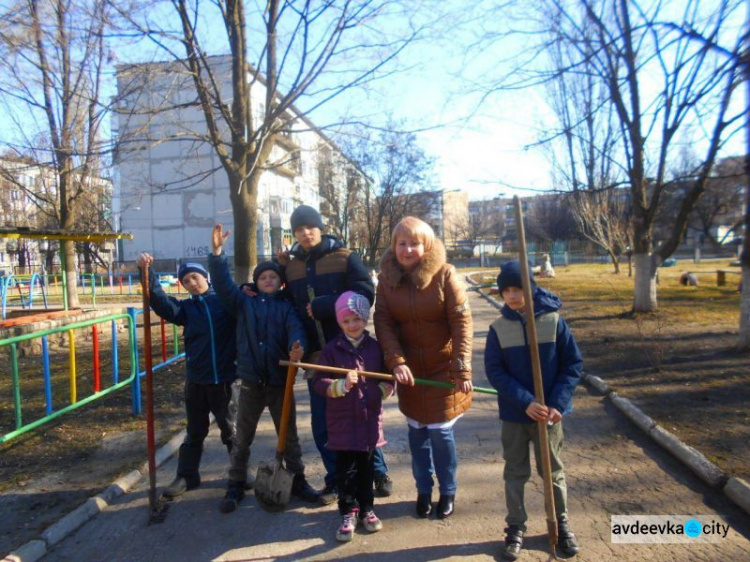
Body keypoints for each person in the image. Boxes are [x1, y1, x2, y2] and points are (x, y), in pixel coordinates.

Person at [281, 204, 393, 504]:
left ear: (320, 227)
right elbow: (285, 301)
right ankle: (336, 479)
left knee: (362, 411)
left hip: (351, 352)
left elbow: (364, 294)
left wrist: (326, 305)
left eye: (310, 227)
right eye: (298, 230)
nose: (305, 234)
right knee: (323, 420)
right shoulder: (290, 266)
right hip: (317, 356)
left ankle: (377, 472)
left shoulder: (345, 257)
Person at [207, 225, 320, 512]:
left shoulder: (286, 307)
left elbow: (297, 330)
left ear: (280, 283)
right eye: (263, 277)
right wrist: (217, 254)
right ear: (255, 282)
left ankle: (298, 480)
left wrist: (298, 347)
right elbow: (222, 285)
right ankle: (235, 483)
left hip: (280, 382)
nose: (268, 280)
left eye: (273, 277)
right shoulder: (243, 303)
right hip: (250, 383)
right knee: (243, 435)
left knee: (289, 436)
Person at [373, 216, 473, 520]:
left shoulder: (444, 275)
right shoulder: (387, 282)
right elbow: (383, 322)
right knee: (417, 437)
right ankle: (423, 491)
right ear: (394, 246)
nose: (408, 249)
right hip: (412, 374)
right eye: (401, 243)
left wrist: (461, 369)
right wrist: (396, 361)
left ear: (426, 245)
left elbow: (461, 322)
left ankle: (448, 491)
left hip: (444, 370)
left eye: (414, 243)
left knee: (441, 437)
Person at [484, 260, 583, 560]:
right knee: (515, 471)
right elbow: (495, 372)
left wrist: (557, 403)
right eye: (507, 291)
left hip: (549, 416)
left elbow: (572, 365)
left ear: (532, 288)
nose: (513, 296)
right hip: (515, 415)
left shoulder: (554, 322)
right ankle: (515, 526)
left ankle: (561, 522)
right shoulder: (498, 328)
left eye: (519, 288)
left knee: (552, 471)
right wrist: (525, 401)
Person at [136, 253, 236, 500]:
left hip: (225, 379)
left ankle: (240, 473)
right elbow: (159, 302)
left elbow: (242, 299)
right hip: (197, 381)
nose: (192, 283)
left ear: (205, 277)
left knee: (232, 431)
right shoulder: (186, 310)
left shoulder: (225, 302)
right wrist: (146, 271)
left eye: (195, 277)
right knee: (194, 432)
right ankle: (187, 475)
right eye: (186, 281)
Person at [313, 291, 394, 542]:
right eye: (346, 321)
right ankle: (348, 511)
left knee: (366, 469)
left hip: (368, 420)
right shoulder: (331, 350)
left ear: (365, 319)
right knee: (345, 471)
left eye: (357, 319)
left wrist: (380, 391)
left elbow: (387, 377)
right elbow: (319, 381)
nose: (352, 325)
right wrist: (341, 385)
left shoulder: (375, 348)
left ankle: (368, 508)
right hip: (342, 423)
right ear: (339, 323)